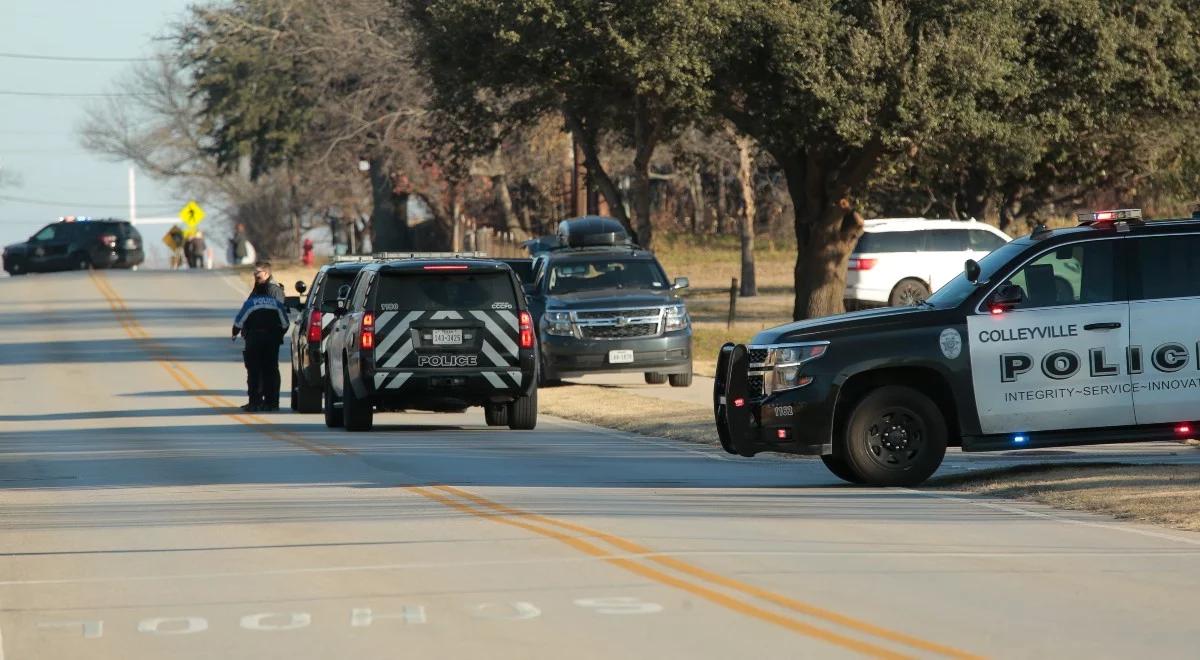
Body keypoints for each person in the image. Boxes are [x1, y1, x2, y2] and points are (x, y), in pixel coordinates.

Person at [232, 280, 290, 412]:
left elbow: (239, 322)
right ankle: (272, 403)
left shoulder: (250, 303)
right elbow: (285, 324)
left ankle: (254, 403)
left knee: (253, 371)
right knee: (271, 370)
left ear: (255, 291)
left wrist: (234, 334)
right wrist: (278, 335)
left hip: (254, 340)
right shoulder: (276, 304)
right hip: (272, 341)